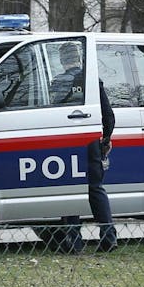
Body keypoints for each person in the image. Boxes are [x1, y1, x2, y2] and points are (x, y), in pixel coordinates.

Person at [57, 80, 117, 253]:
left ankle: (73, 241)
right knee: (96, 188)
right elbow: (109, 116)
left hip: (69, 142)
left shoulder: (59, 82)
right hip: (91, 142)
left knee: (70, 187)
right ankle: (108, 237)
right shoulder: (93, 82)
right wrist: (105, 139)